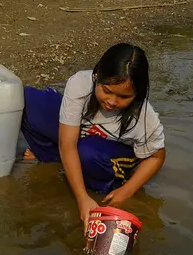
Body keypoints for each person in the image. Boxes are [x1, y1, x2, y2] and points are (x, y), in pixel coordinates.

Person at [20, 43, 167, 224]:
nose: (112, 101)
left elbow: (156, 157)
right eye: (106, 91)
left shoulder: (144, 117)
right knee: (27, 101)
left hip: (106, 152)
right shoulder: (80, 83)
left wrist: (127, 191)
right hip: (79, 139)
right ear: (97, 76)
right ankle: (53, 159)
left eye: (123, 97)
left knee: (86, 152)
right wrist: (81, 198)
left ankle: (100, 183)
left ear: (138, 94)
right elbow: (68, 145)